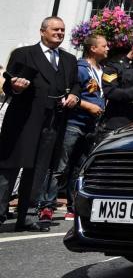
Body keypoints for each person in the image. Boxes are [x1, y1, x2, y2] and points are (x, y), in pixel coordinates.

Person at [0, 16, 80, 232]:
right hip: (23, 120)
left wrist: (74, 96)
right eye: (55, 30)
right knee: (9, 167)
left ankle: (27, 215)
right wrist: (16, 86)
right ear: (42, 31)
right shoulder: (24, 54)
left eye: (63, 30)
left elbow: (75, 85)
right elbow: (9, 85)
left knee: (38, 170)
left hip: (52, 122)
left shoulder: (69, 60)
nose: (60, 33)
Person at [38, 34, 107, 220]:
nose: (108, 48)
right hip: (74, 123)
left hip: (92, 125)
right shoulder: (80, 68)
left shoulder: (102, 69)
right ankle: (46, 205)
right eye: (104, 45)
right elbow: (70, 94)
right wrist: (88, 105)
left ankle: (73, 205)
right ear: (93, 48)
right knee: (60, 165)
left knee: (80, 167)